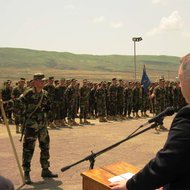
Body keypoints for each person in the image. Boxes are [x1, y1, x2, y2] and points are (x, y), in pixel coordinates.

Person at [109, 53, 190, 189]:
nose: (179, 85)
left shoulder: (188, 115)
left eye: (180, 79)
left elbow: (168, 162)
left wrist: (131, 185)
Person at [17, 73, 58, 184]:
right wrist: (4, 104)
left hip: (42, 126)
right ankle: (26, 173)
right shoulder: (28, 94)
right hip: (31, 127)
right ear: (34, 82)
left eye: (43, 81)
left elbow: (49, 107)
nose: (43, 83)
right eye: (40, 81)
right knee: (28, 149)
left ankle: (45, 169)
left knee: (45, 147)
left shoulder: (45, 94)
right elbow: (17, 104)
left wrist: (50, 117)